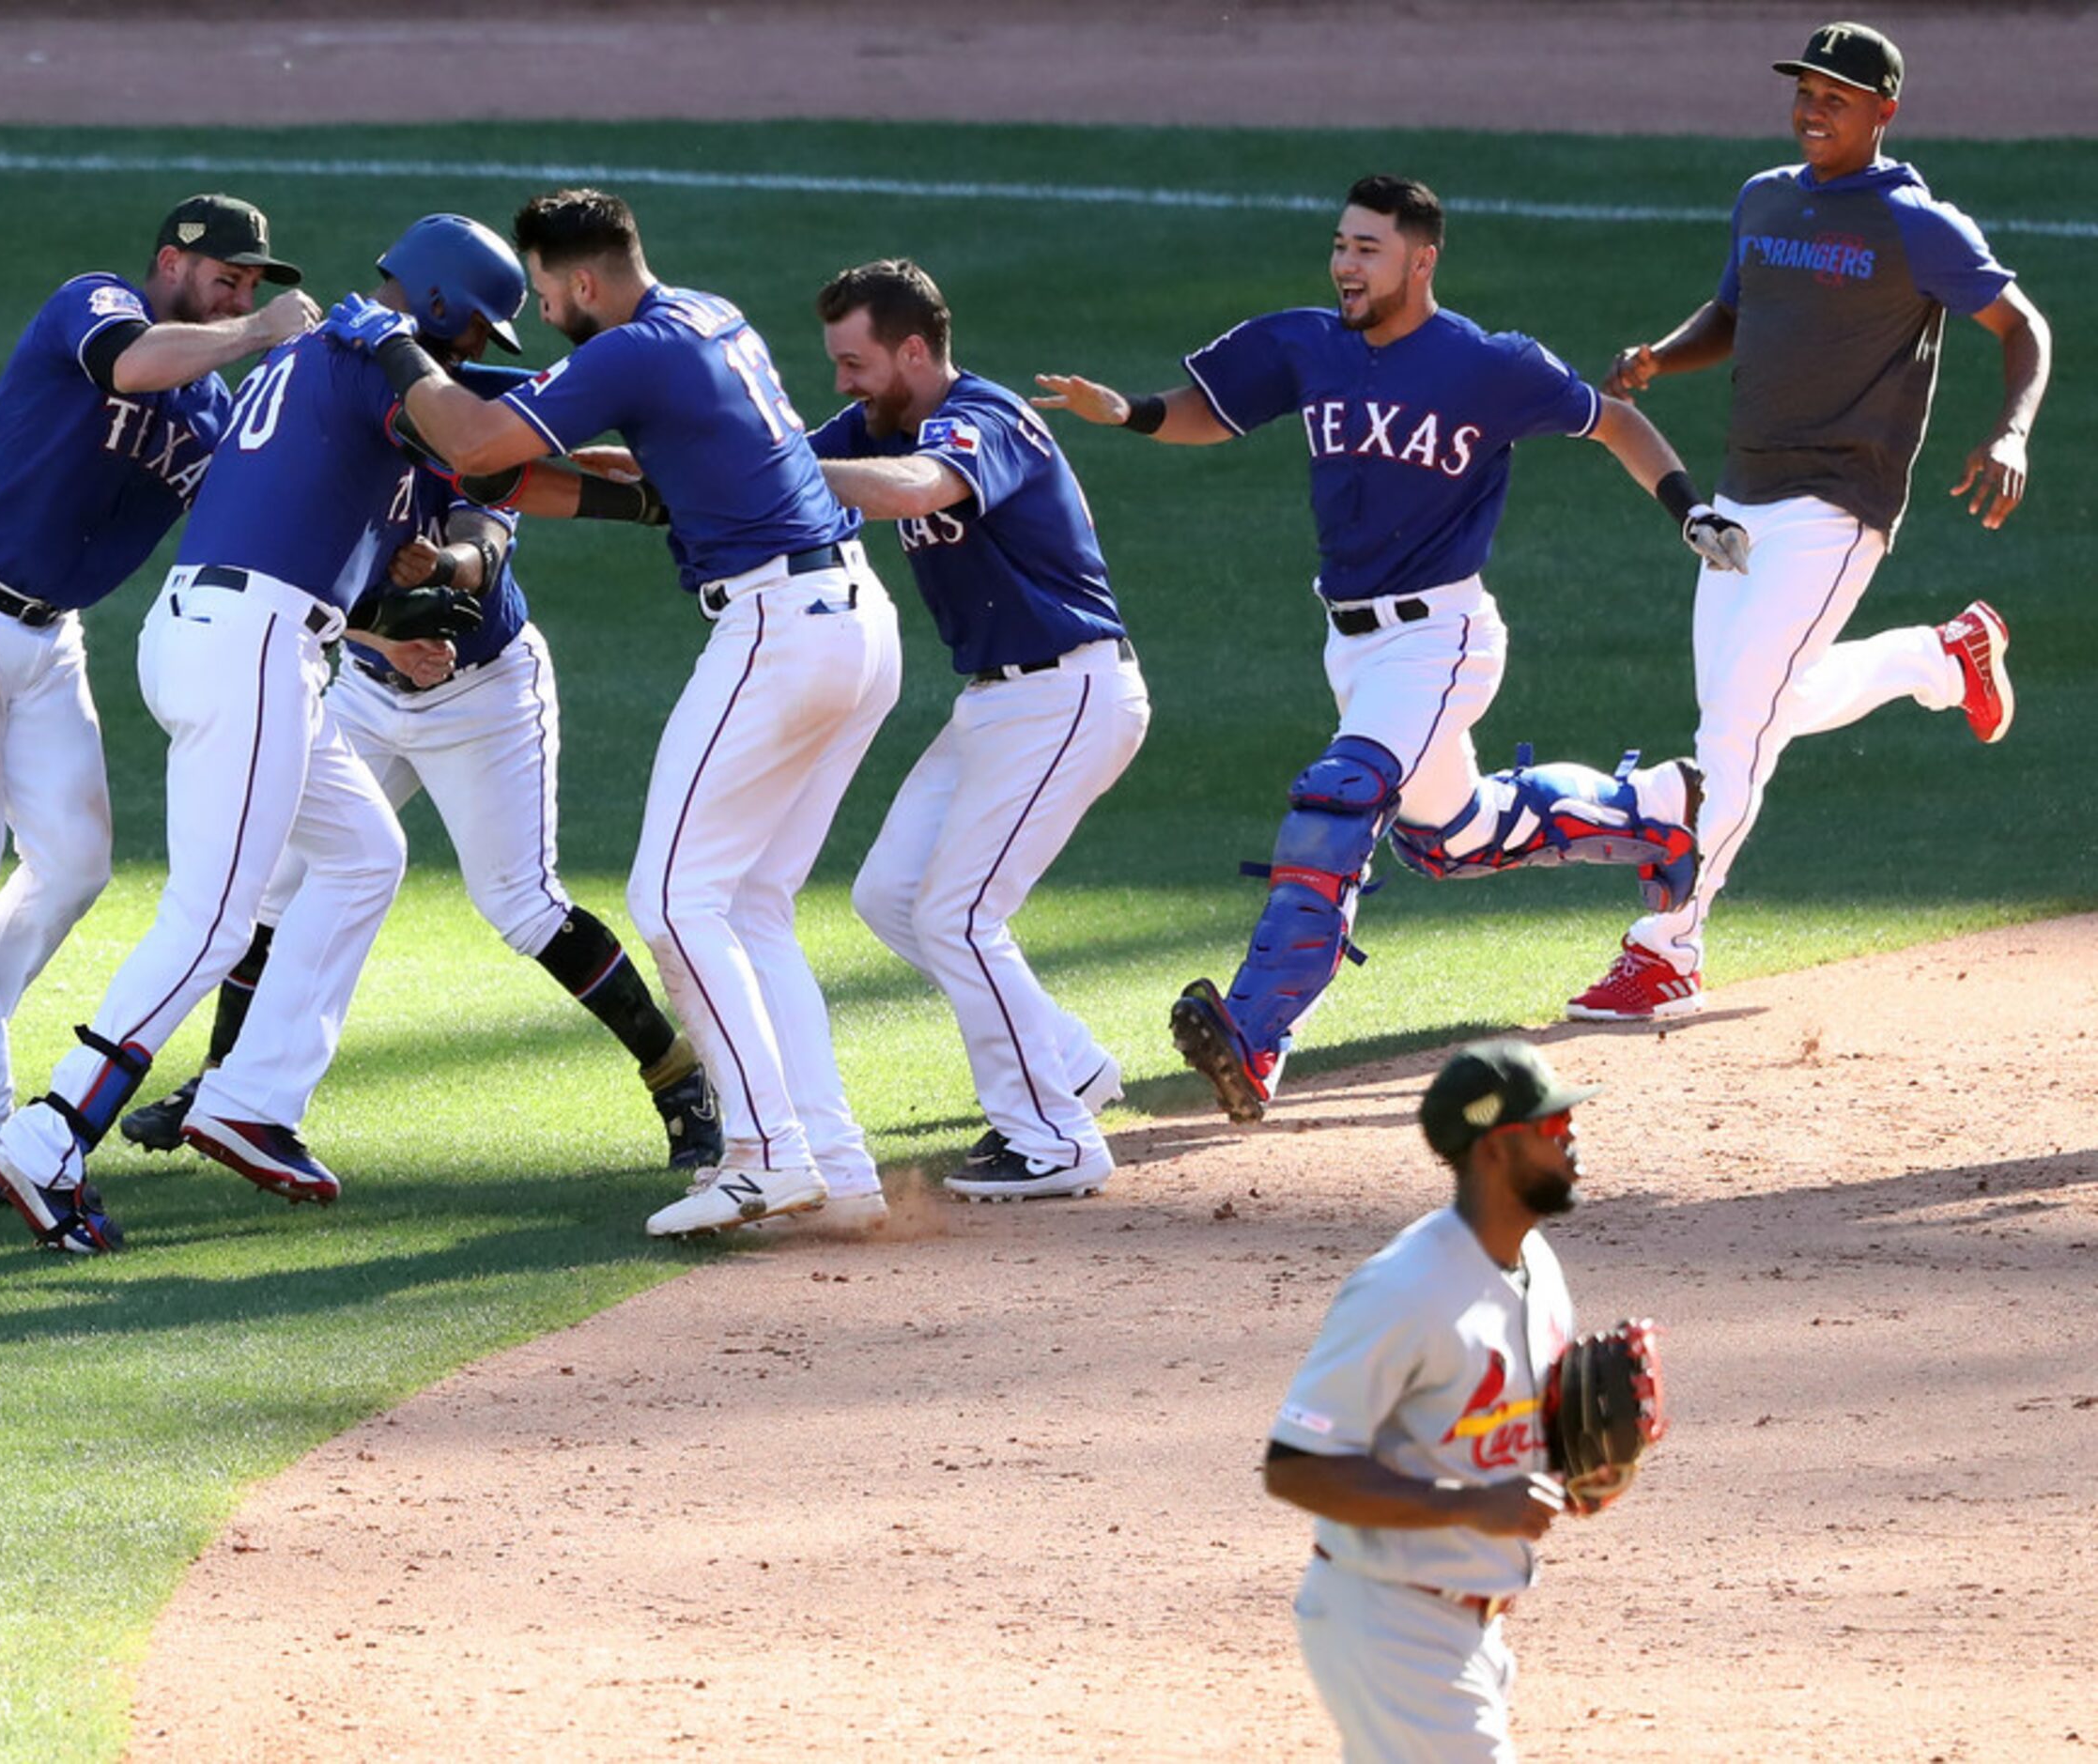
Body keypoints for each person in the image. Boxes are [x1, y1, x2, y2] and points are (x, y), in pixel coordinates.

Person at [1038, 175, 1743, 1123]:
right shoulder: (1304, 345)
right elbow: (1212, 409)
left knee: (1340, 794)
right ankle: (1660, 807)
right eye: (1338, 245)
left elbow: (1609, 419)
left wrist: (1685, 509)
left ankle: (1253, 1035)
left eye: (1365, 248)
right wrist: (1127, 412)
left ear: (1421, 258)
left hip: (1440, 634)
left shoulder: (1485, 365)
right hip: (1352, 646)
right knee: (1451, 838)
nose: (1343, 265)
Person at [325, 188, 903, 1237]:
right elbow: (617, 452)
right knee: (752, 905)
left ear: (583, 279)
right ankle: (840, 1165)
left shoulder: (628, 350)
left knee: (674, 900)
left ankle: (763, 1154)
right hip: (855, 619)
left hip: (778, 625)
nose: (543, 310)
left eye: (546, 291)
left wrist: (389, 349)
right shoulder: (709, 316)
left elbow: (482, 440)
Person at [0, 214, 536, 1252]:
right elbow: (478, 437)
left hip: (224, 631)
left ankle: (249, 1099)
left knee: (365, 853)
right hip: (255, 647)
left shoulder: (326, 353)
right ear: (445, 311)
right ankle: (50, 1132)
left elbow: (325, 497)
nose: (468, 356)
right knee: (216, 917)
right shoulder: (379, 359)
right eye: (470, 336)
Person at [1566, 20, 2050, 1022]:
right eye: (1802, 93)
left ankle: (1671, 944)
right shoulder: (1764, 197)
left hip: (1838, 505)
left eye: (1833, 97)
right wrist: (1660, 355)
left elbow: (2021, 328)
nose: (1809, 110)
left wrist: (2007, 434)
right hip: (1738, 497)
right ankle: (1939, 659)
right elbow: (1733, 315)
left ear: (1883, 111)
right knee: (1763, 707)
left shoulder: (1917, 223)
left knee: (1733, 728)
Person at [115, 384, 727, 1174]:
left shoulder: (463, 435)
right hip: (367, 692)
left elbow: (485, 546)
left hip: (485, 700)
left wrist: (444, 563)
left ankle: (678, 1079)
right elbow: (302, 586)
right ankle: (225, 1089)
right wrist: (387, 640)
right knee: (275, 882)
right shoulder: (333, 457)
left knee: (521, 903)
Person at [0, 193, 316, 1199]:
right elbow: (128, 364)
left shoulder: (212, 411)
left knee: (75, 861)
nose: (238, 295)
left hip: (47, 638)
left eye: (251, 285)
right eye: (224, 278)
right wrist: (251, 335)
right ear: (172, 264)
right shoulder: (96, 301)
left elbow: (260, 518)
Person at [808, 257, 1149, 1204]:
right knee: (890, 894)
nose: (841, 384)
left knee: (958, 914)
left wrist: (782, 469)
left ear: (912, 351)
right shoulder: (879, 420)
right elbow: (776, 473)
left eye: (854, 363)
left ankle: (1052, 1137)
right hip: (996, 704)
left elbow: (918, 489)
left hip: (1069, 694)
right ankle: (1066, 1062)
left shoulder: (977, 420)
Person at [1264, 1038, 1631, 1761]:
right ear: (1495, 1149)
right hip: (1390, 1623)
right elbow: (1295, 1466)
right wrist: (1467, 1504)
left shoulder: (1537, 1265)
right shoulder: (1403, 1289)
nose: (1573, 1139)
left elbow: (1506, 1430)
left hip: (1472, 1630)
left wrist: (1575, 1474)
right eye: (1552, 1128)